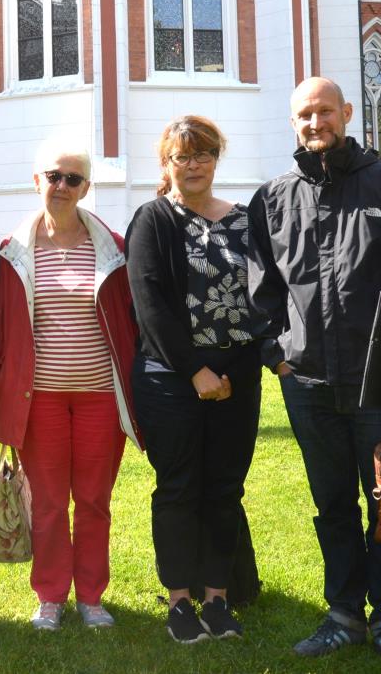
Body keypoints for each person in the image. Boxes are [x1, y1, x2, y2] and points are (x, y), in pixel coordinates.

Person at [245, 77, 381, 670]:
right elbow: (258, 290)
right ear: (293, 123)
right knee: (333, 506)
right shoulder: (272, 199)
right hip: (310, 385)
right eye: (304, 114)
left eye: (325, 111)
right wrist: (278, 359)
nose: (315, 121)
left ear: (347, 113)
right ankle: (344, 614)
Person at [125, 115, 268, 644]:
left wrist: (234, 369)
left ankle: (218, 598)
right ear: (166, 163)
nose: (193, 165)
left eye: (202, 154)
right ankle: (180, 601)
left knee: (225, 488)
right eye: (181, 156)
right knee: (180, 487)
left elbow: (261, 297)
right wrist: (197, 371)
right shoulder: (153, 220)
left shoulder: (245, 219)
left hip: (237, 377)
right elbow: (151, 307)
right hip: (171, 379)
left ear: (216, 158)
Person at [0, 139, 139, 632]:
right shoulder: (11, 251)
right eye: (53, 176)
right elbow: (5, 331)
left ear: (86, 188)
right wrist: (3, 393)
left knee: (94, 500)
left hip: (99, 397)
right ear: (38, 181)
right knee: (50, 503)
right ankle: (51, 596)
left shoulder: (115, 249)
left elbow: (128, 323)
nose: (61, 186)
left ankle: (92, 597)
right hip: (42, 400)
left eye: (72, 179)